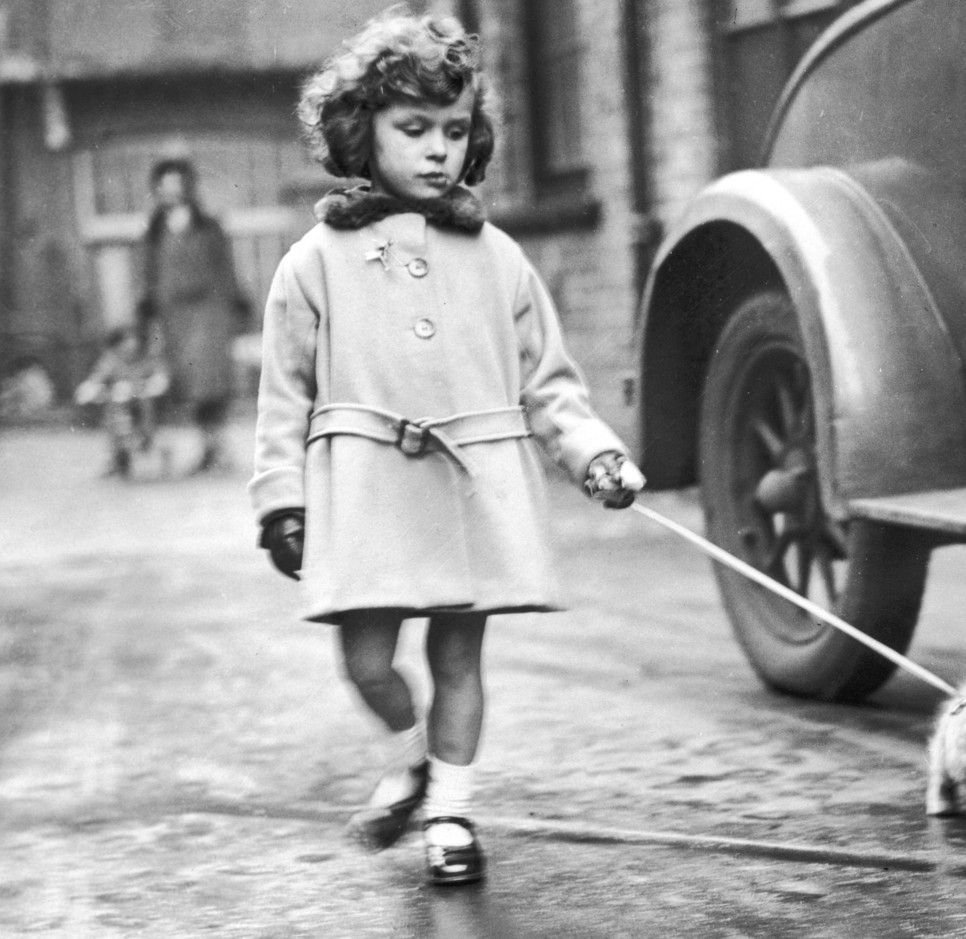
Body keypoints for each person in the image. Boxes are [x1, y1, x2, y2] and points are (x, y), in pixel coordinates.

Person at [248, 11, 645, 887]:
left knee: (458, 655)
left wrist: (594, 456)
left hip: (475, 484)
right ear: (362, 132)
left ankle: (453, 811)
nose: (438, 151)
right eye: (413, 129)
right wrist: (282, 498)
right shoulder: (314, 262)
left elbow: (550, 383)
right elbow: (284, 393)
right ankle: (411, 751)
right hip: (365, 487)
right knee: (366, 659)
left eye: (455, 131)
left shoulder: (497, 256)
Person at [138, 157, 249, 473]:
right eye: (164, 185)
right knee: (183, 385)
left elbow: (226, 271)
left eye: (177, 184)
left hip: (210, 314)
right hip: (174, 318)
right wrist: (147, 312)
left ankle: (215, 448)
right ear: (156, 189)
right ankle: (203, 449)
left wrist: (234, 311)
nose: (171, 191)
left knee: (212, 384)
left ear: (188, 187)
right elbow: (147, 275)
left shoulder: (209, 226)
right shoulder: (154, 231)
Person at [74, 324, 170, 477]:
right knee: (114, 412)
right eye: (125, 341)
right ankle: (119, 455)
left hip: (145, 401)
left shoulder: (147, 359)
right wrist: (90, 388)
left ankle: (147, 440)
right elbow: (97, 378)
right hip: (121, 402)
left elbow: (161, 378)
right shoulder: (111, 359)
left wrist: (150, 386)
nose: (130, 345)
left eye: (132, 339)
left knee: (146, 407)